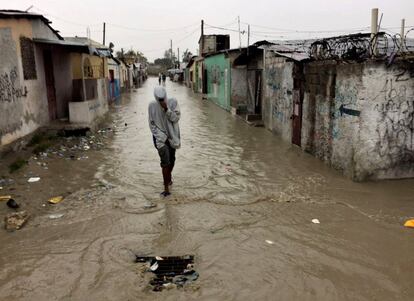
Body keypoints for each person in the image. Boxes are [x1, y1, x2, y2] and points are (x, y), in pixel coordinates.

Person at [148, 86, 181, 197]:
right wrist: (162, 138)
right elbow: (152, 125)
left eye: (163, 99)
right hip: (160, 139)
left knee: (172, 159)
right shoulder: (152, 106)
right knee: (165, 163)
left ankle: (168, 178)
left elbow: (176, 118)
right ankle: (166, 188)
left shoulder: (173, 102)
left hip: (172, 137)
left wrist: (167, 109)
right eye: (159, 100)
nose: (161, 101)